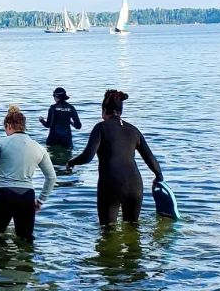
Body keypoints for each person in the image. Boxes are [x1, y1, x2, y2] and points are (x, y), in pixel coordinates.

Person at [67, 89, 163, 225]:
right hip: (135, 186)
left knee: (107, 231)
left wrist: (72, 162)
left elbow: (88, 156)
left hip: (111, 185)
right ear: (121, 111)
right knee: (133, 230)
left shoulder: (101, 128)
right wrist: (159, 177)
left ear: (104, 110)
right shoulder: (133, 130)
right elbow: (150, 158)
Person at [0, 105, 57, 241]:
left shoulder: (0, 143)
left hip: (4, 194)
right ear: (23, 126)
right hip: (27, 196)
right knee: (25, 240)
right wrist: (41, 200)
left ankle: (0, 259)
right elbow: (52, 177)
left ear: (8, 126)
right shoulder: (39, 148)